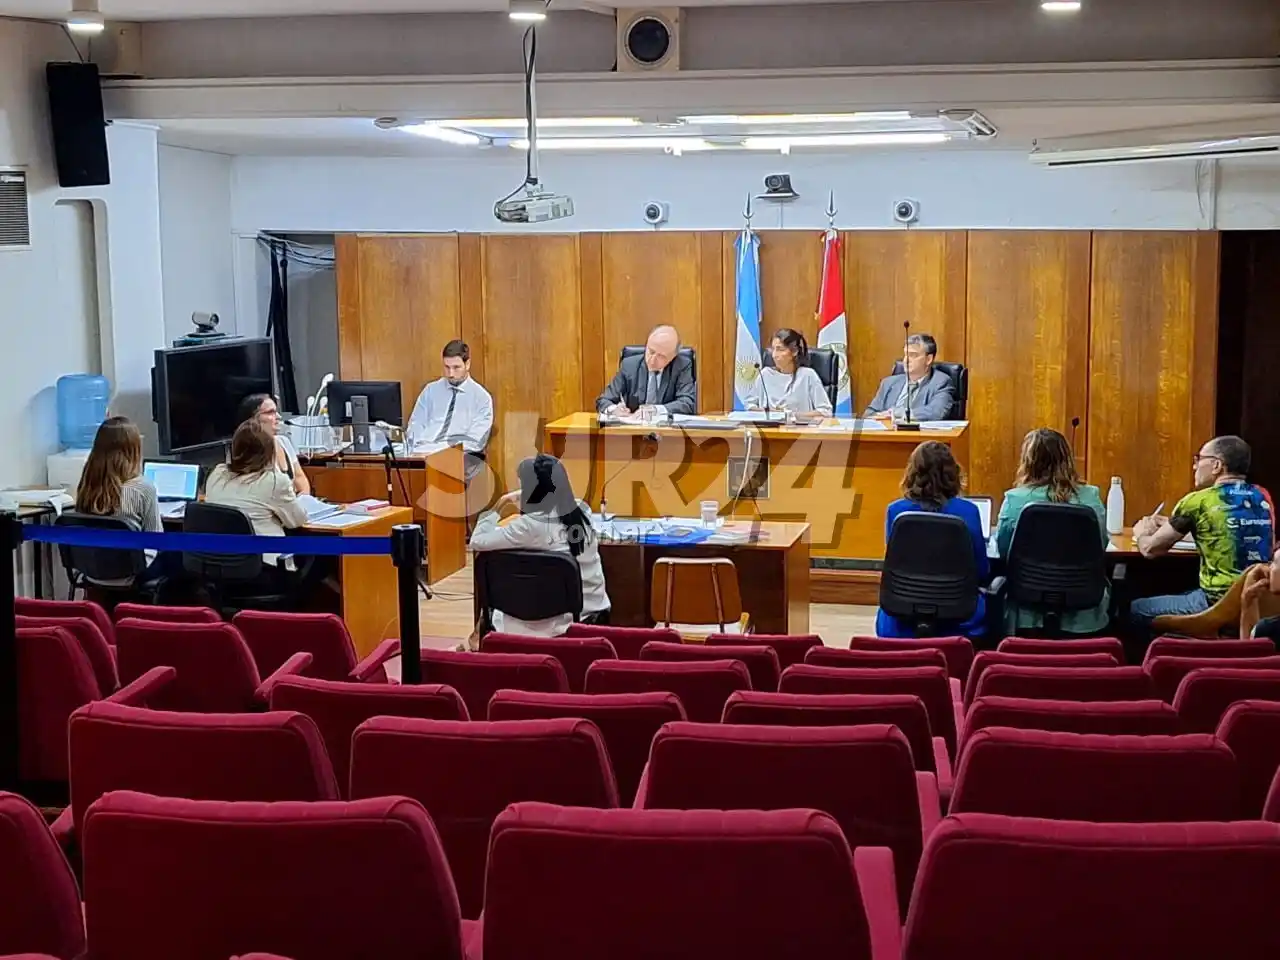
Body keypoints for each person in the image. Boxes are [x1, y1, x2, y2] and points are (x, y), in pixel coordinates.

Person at [1132, 435, 1274, 625]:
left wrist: (1142, 533)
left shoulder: (1197, 501)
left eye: (1199, 459)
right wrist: (1177, 524)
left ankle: (1162, 653)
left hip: (1217, 605)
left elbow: (1151, 550)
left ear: (1216, 465)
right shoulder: (1262, 495)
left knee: (1136, 609)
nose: (1194, 466)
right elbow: (1232, 534)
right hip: (1262, 602)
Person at [470, 454, 610, 637]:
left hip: (543, 623)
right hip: (587, 614)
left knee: (493, 614)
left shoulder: (529, 526)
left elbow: (477, 541)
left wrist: (500, 503)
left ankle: (473, 644)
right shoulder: (583, 511)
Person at [995, 428, 1110, 635]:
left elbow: (1004, 553)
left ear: (1027, 462)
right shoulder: (1091, 497)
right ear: (1067, 459)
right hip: (1083, 613)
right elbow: (1100, 545)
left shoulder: (1014, 500)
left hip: (1026, 613)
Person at [877, 441, 987, 638]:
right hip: (959, 617)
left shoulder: (896, 511)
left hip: (901, 617)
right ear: (953, 473)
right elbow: (981, 570)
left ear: (912, 472)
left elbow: (894, 566)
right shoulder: (968, 511)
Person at [75, 416, 182, 584]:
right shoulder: (143, 487)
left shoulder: (87, 485)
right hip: (131, 575)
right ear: (133, 449)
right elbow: (157, 540)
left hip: (92, 573)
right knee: (180, 554)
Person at [205, 420, 309, 576]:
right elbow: (297, 521)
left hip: (220, 566)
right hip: (266, 570)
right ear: (267, 451)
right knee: (320, 559)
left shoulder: (217, 474)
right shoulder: (274, 481)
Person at [406, 340, 494, 481]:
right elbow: (415, 424)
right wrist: (417, 447)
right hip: (422, 456)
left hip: (459, 459)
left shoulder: (481, 397)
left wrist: (441, 450)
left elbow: (475, 441)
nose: (450, 373)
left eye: (456, 367)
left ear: (467, 364)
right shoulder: (430, 390)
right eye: (447, 367)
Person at [596, 324, 697, 418]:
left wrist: (656, 410)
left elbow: (687, 403)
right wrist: (614, 410)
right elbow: (604, 400)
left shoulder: (681, 366)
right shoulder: (629, 365)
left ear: (673, 357)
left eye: (661, 356)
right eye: (651, 351)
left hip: (668, 433)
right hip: (634, 431)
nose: (652, 360)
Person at [862, 333, 956, 423]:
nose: (906, 360)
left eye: (913, 355)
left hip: (919, 437)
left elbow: (936, 412)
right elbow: (868, 414)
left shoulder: (941, 382)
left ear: (928, 359)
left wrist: (897, 413)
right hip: (886, 435)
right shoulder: (888, 383)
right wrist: (881, 417)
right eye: (905, 354)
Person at [745, 328, 833, 420]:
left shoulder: (808, 375)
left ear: (794, 352)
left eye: (780, 349)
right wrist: (768, 413)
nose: (774, 355)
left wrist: (790, 416)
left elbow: (825, 411)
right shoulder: (765, 375)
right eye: (773, 349)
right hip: (770, 430)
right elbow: (749, 405)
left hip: (800, 431)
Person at [238, 393, 310, 495]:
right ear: (253, 419)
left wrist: (305, 499)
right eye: (270, 412)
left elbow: (299, 477)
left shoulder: (283, 441)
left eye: (276, 411)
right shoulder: (244, 450)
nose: (279, 417)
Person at [1240, 546, 1280, 641]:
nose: (1269, 567)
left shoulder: (1268, 630)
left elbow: (1249, 653)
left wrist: (1246, 603)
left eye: (1273, 562)